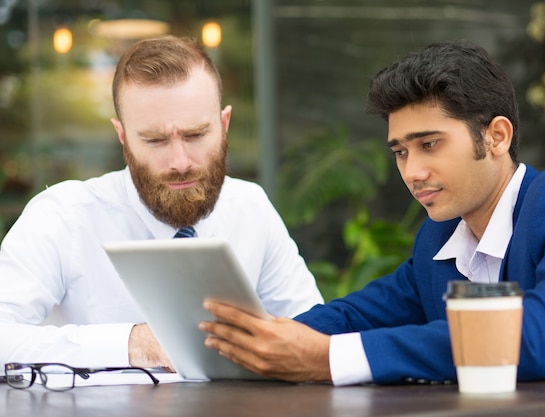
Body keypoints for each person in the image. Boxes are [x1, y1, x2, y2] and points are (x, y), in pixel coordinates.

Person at [199, 40, 545, 386]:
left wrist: (327, 359)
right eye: (400, 152)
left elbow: (540, 339)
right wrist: (249, 342)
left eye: (430, 144)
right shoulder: (438, 241)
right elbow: (352, 317)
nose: (412, 172)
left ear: (496, 136)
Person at [0, 36, 322, 371]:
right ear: (122, 136)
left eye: (196, 134)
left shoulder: (250, 208)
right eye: (155, 140)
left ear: (224, 125)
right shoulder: (63, 215)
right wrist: (131, 345)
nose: (180, 161)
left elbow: (310, 331)